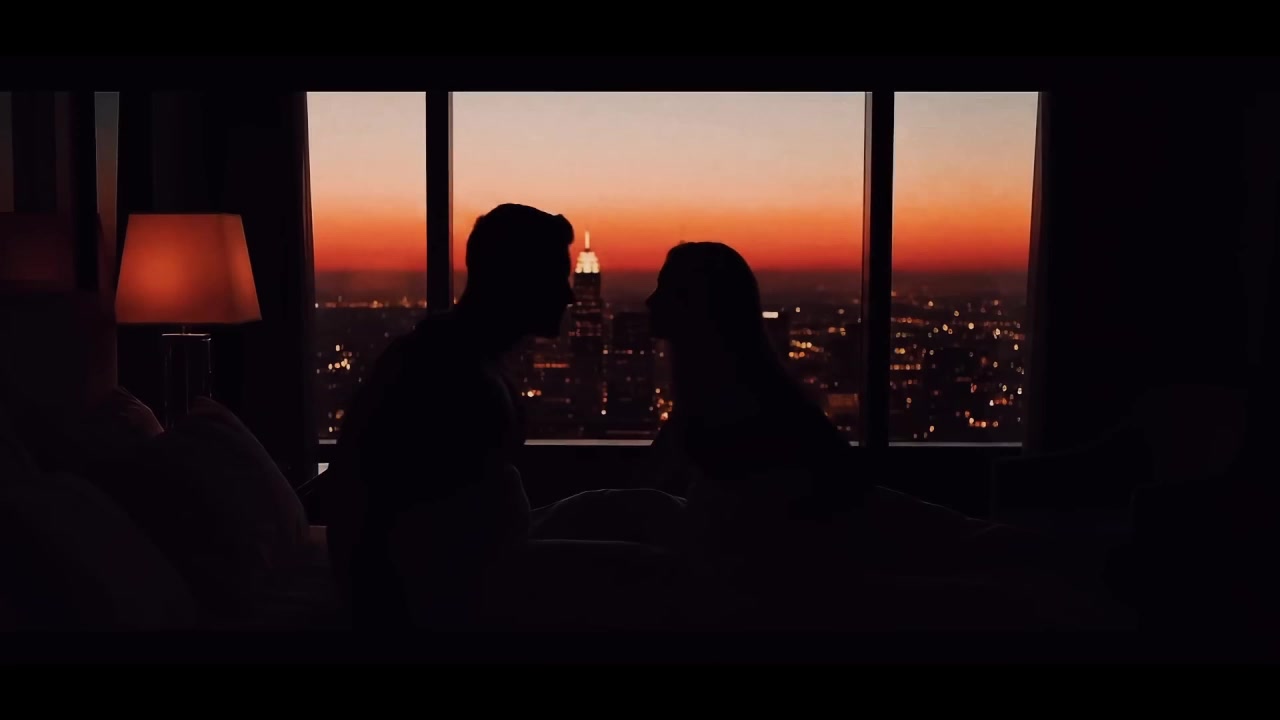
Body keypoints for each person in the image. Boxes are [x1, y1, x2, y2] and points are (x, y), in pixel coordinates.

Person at [326, 203, 574, 629]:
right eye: (556, 278)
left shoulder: (448, 354)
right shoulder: (455, 376)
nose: (568, 295)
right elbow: (441, 549)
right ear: (517, 280)